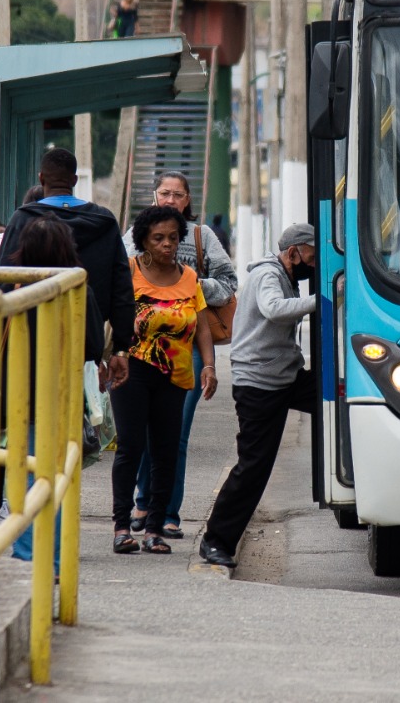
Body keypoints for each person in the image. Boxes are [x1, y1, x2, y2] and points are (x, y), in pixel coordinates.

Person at [122, 171, 238, 539]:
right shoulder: (134, 237)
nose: (171, 200)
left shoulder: (204, 237)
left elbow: (230, 284)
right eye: (164, 193)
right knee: (138, 433)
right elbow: (123, 281)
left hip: (187, 350)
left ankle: (168, 511)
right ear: (155, 197)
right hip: (141, 351)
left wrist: (186, 284)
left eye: (178, 194)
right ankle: (142, 503)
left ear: (188, 200)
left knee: (175, 436)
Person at [199, 223, 317, 568]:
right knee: (254, 466)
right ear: (293, 253)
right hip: (260, 385)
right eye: (311, 255)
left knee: (340, 400)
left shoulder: (287, 273)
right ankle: (215, 541)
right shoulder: (269, 275)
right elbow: (273, 308)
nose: (314, 263)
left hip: (286, 376)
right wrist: (324, 299)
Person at [111, 206, 218, 554]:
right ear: (143, 240)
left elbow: (202, 325)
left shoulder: (189, 278)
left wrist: (209, 367)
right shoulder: (128, 271)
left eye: (173, 237)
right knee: (130, 446)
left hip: (176, 373)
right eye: (159, 238)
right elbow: (113, 316)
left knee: (166, 451)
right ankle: (122, 526)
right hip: (133, 368)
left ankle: (155, 528)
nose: (167, 245)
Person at [5, 214, 107, 573]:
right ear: (68, 248)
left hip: (20, 394)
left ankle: (26, 554)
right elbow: (94, 346)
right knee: (60, 475)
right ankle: (58, 557)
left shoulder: (13, 289)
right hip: (62, 394)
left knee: (26, 470)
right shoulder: (78, 287)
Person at [0, 148, 132, 391]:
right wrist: (121, 348)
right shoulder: (105, 221)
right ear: (74, 180)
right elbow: (122, 289)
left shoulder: (23, 219)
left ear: (41, 179)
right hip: (84, 341)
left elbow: (4, 280)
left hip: (28, 338)